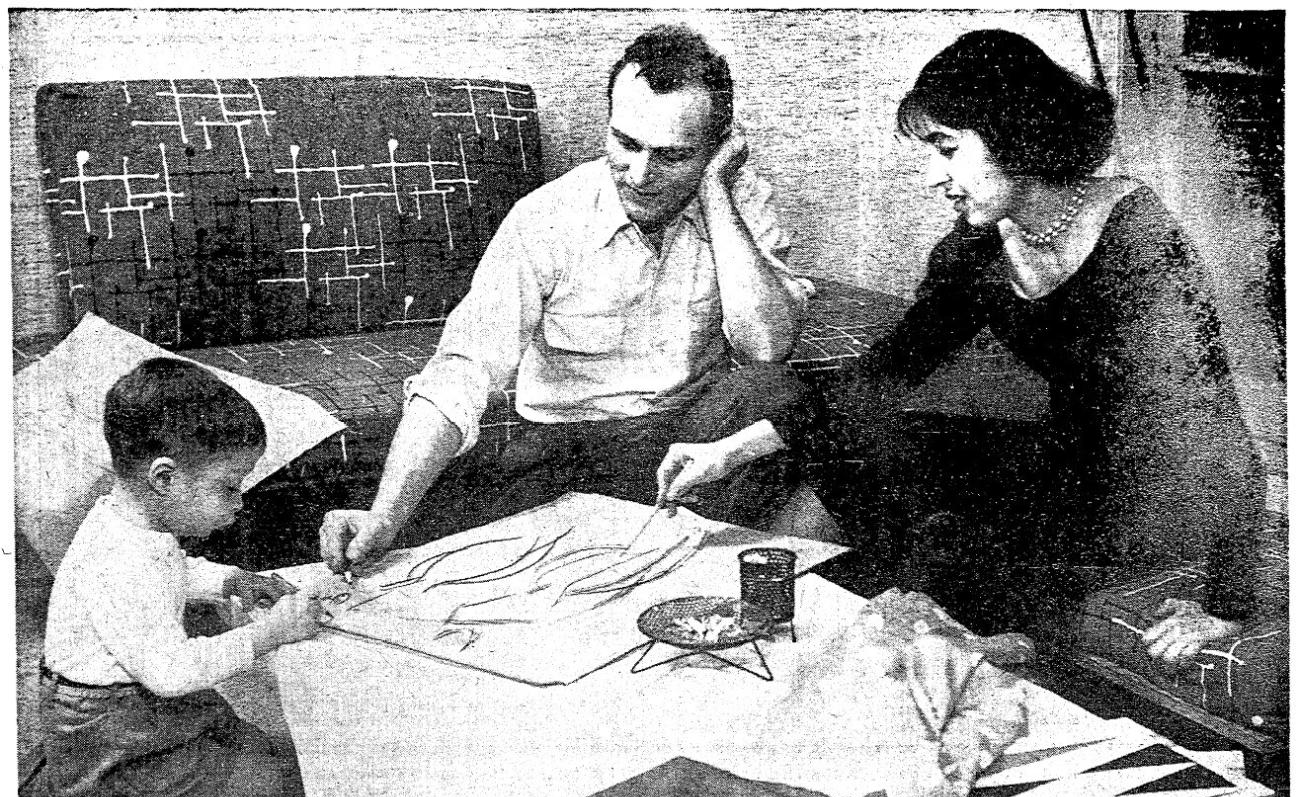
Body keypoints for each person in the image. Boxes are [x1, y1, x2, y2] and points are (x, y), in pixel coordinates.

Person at [656, 29, 1264, 662]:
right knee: (867, 442)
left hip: (1138, 498)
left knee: (949, 529)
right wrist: (726, 452)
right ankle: (772, 627)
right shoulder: (976, 247)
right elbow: (883, 375)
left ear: (1016, 131)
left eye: (946, 149)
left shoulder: (1138, 241)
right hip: (1054, 463)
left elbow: (1214, 429)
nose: (932, 177)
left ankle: (993, 639)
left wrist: (1225, 608)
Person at [320, 24, 814, 575]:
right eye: (626, 144)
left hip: (689, 440)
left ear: (717, 149)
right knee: (434, 545)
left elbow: (767, 349)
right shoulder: (547, 216)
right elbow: (462, 370)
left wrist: (715, 193)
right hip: (567, 449)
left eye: (673, 156)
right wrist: (386, 515)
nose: (640, 175)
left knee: (775, 391)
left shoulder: (741, 202)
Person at [29, 358, 325, 797]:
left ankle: (76, 775)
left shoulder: (136, 526)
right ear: (164, 478)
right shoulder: (120, 560)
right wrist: (267, 634)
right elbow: (172, 673)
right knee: (266, 788)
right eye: (228, 486)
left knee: (259, 748)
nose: (239, 503)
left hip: (137, 705)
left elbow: (175, 570)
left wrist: (230, 580)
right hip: (113, 724)